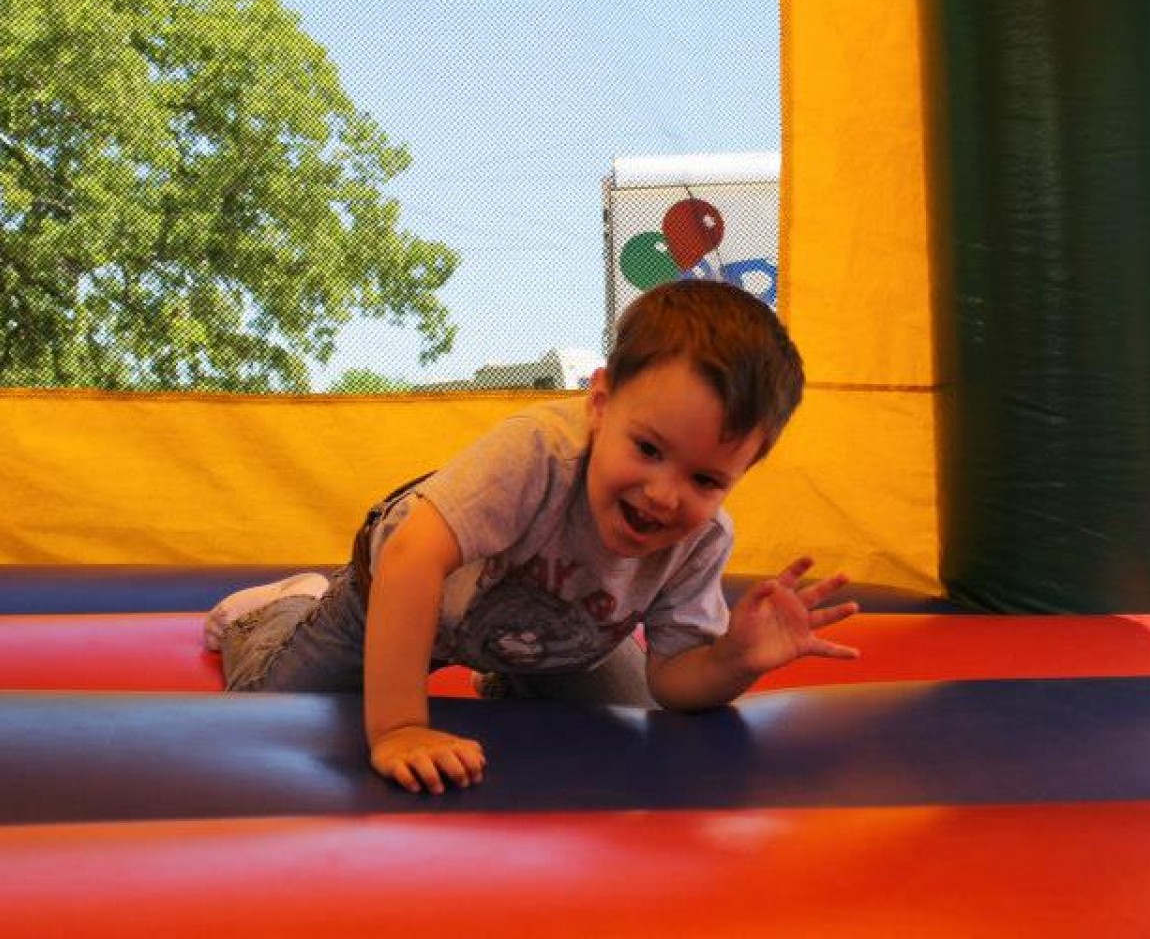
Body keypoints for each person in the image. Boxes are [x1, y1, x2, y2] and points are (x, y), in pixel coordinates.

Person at [207, 278, 860, 794]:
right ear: (600, 404)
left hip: (559, 634)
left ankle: (509, 676)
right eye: (648, 449)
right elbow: (413, 557)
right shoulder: (539, 455)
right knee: (266, 706)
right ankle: (278, 609)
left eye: (706, 479)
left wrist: (733, 661)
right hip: (404, 591)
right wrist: (400, 727)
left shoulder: (702, 539)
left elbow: (673, 682)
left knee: (636, 718)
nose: (665, 495)